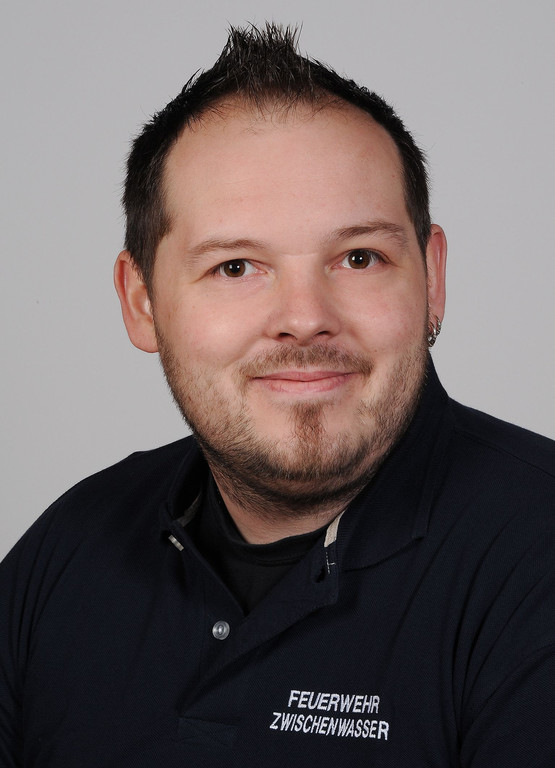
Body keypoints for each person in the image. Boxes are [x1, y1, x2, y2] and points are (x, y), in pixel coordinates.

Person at [1, 23, 554, 768]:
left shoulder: (536, 559)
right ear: (141, 301)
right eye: (235, 267)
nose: (304, 318)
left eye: (358, 257)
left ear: (432, 278)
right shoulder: (66, 552)